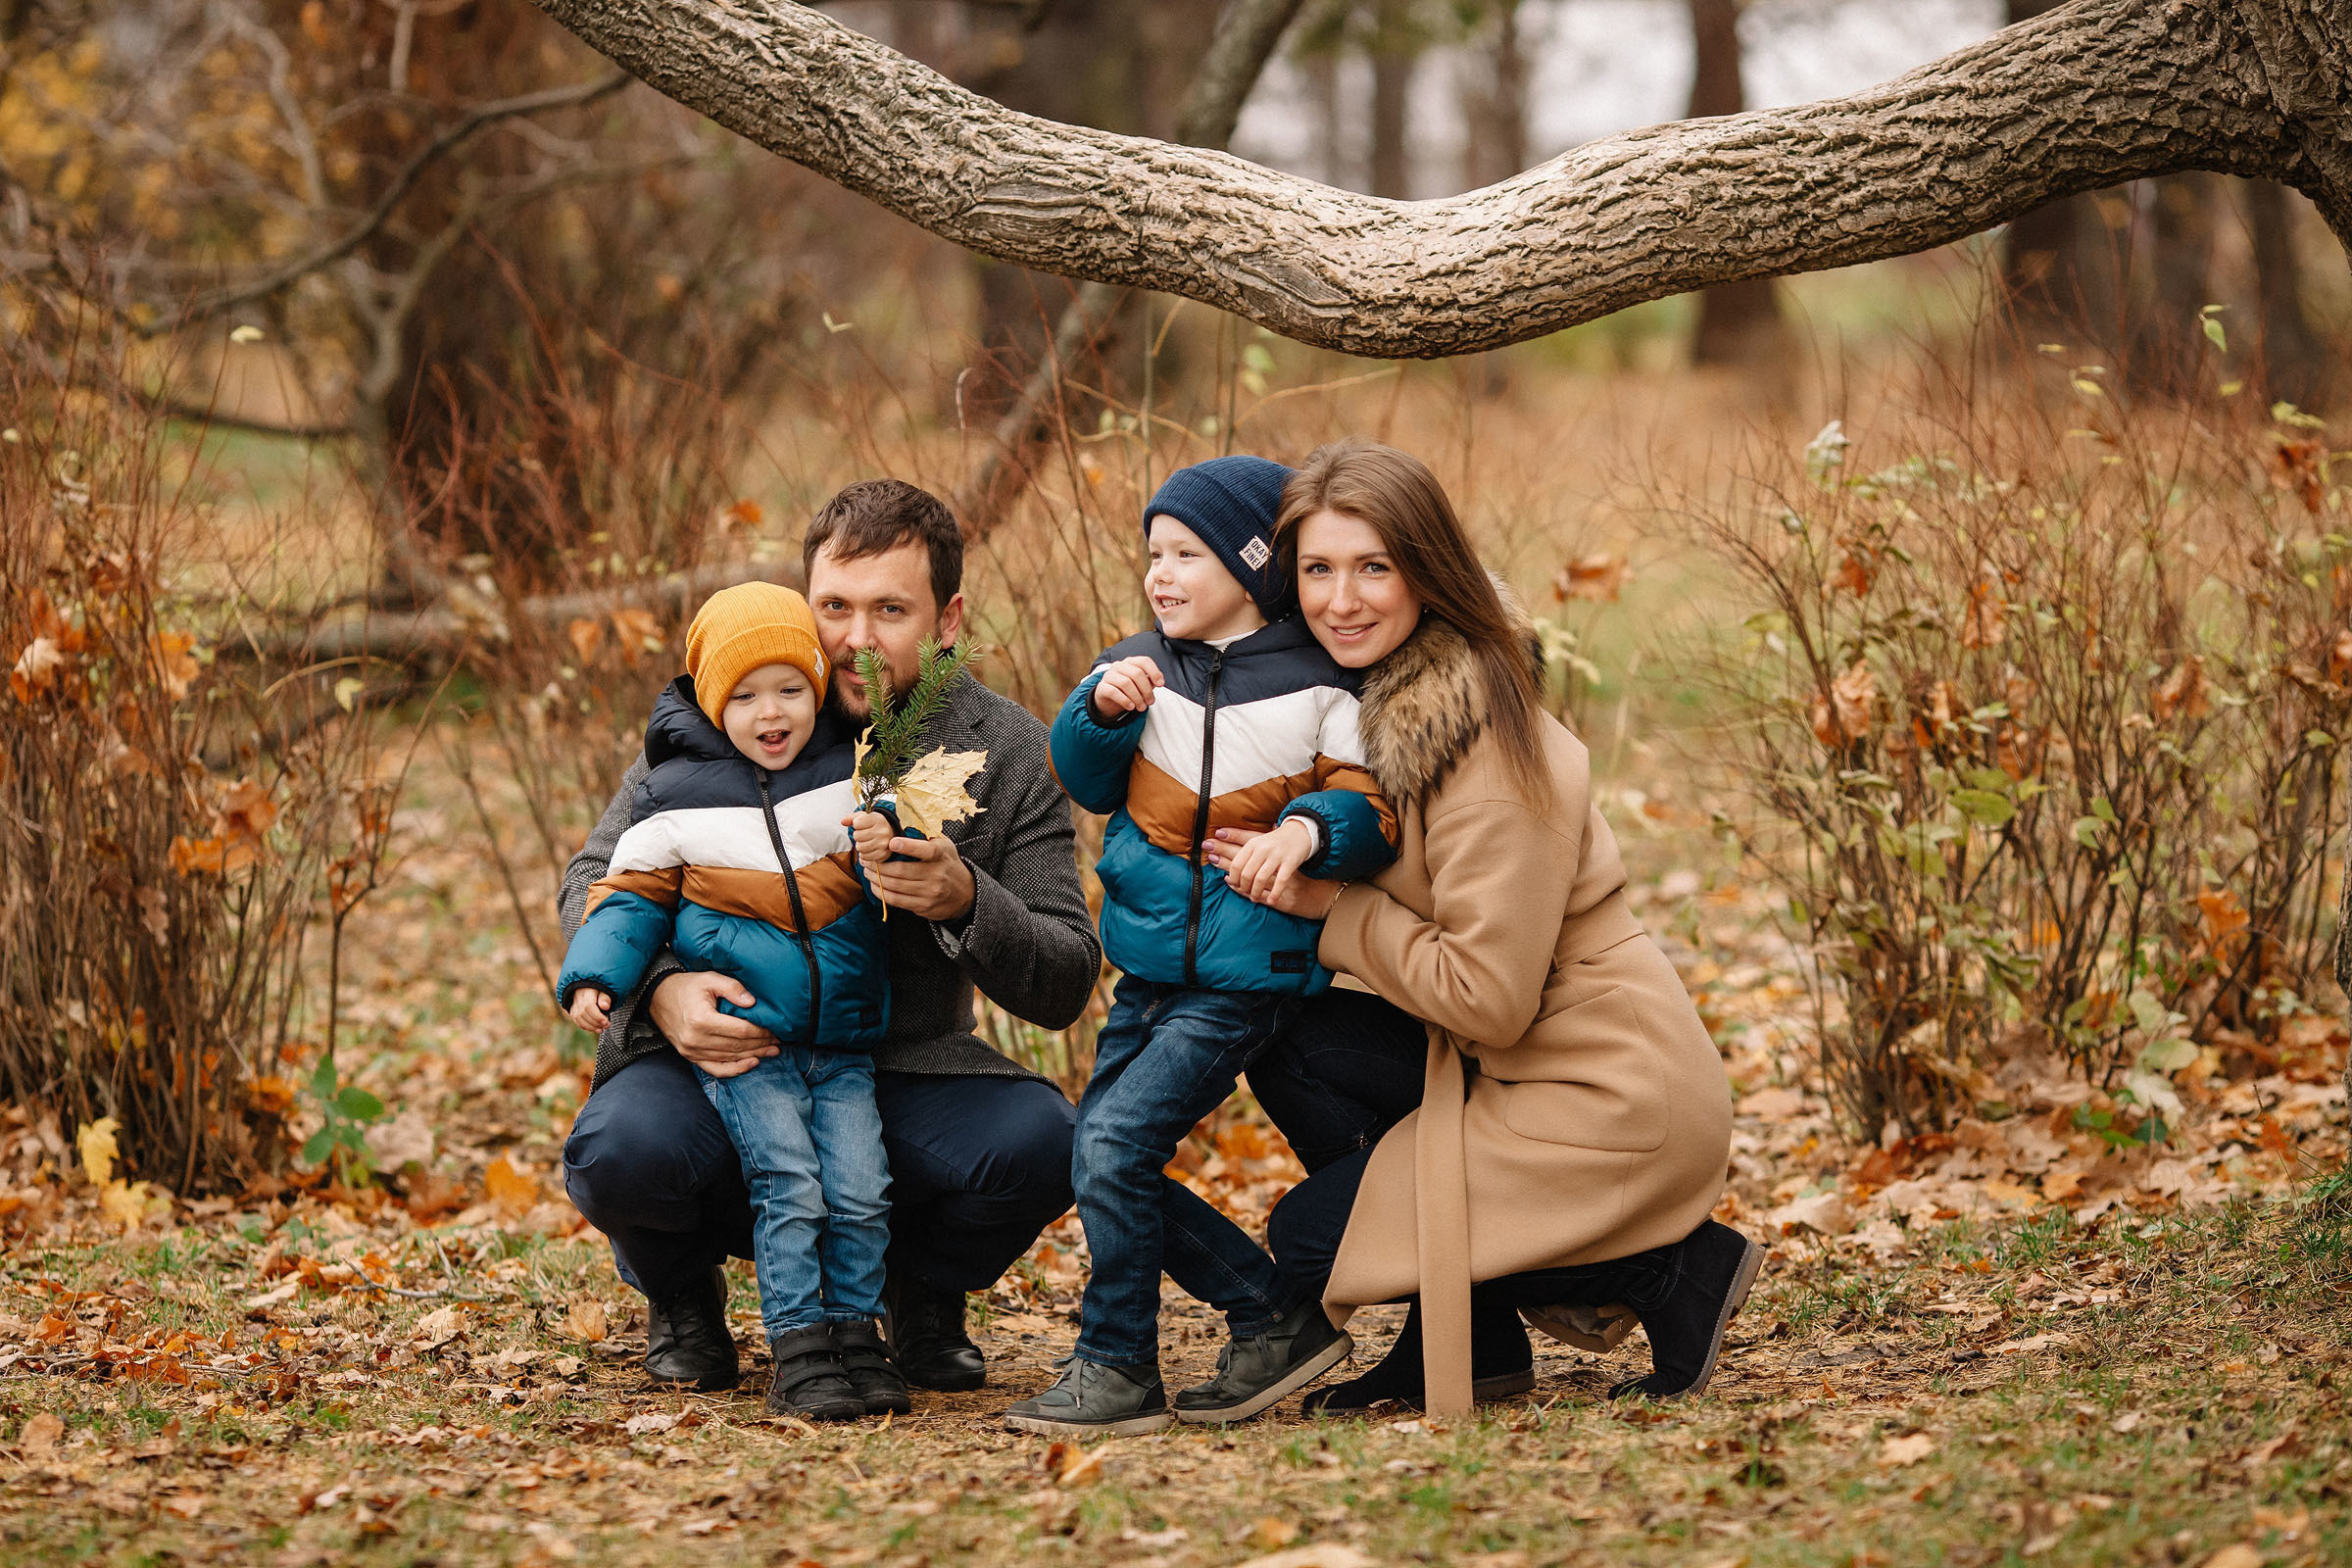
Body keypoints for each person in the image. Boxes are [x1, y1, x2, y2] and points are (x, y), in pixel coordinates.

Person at [1207, 438, 1757, 1415]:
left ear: (1430, 571)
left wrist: (1337, 910)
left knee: (1313, 1241)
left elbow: (1490, 999)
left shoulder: (1488, 745)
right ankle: (1473, 1339)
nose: (1342, 600)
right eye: (1319, 570)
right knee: (1295, 1040)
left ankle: (1667, 1267)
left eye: (1374, 567)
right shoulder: (1369, 709)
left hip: (1610, 1092)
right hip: (1511, 1063)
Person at [560, 481, 1102, 1396]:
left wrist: (966, 898)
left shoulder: (1007, 749)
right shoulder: (736, 717)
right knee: (623, 1149)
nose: (857, 638)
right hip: (731, 1058)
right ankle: (681, 1296)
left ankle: (918, 1292)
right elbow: (595, 878)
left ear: (948, 618)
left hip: (902, 1068)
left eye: (891, 610)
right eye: (835, 607)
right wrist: (658, 987)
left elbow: (1064, 977)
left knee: (1044, 1142)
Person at [1005, 458, 1399, 1438]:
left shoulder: (1319, 684)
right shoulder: (1141, 666)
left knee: (1113, 1141)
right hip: (1148, 967)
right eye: (1153, 553)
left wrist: (1304, 833)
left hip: (1247, 974)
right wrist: (1098, 713)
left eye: (1188, 553)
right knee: (1094, 1151)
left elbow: (1367, 808)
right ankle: (1271, 1314)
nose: (1162, 573)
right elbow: (1087, 782)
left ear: (1253, 563)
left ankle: (1116, 1364)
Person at [559, 582, 907, 1421]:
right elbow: (628, 893)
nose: (771, 713)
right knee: (789, 1182)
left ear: (818, 689)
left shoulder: (853, 772)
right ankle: (800, 1348)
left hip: (845, 1040)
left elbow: (897, 853)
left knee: (861, 1187)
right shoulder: (676, 796)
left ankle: (857, 1334)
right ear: (716, 705)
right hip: (749, 1045)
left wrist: (894, 837)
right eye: (745, 697)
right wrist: (602, 974)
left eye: (790, 688)